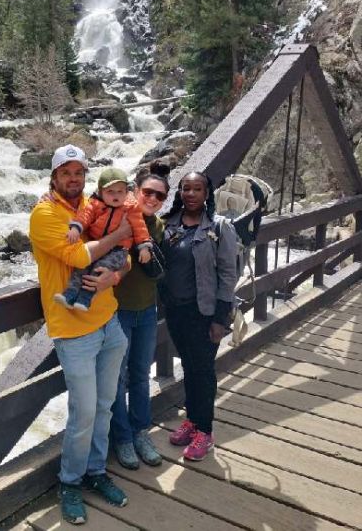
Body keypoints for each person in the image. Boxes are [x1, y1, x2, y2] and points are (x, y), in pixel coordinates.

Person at [29, 144, 132, 525]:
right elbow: (78, 257)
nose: (73, 179)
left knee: (104, 407)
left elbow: (131, 249)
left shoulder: (95, 205)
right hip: (73, 332)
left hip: (110, 322)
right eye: (66, 172)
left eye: (79, 172)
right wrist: (117, 233)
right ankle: (70, 482)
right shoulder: (44, 214)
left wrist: (116, 275)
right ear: (54, 177)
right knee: (84, 412)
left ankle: (95, 472)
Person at [159, 171, 237, 461]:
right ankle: (192, 421)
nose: (191, 194)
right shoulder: (169, 225)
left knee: (203, 370)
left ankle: (205, 431)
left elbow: (229, 274)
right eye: (186, 188)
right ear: (179, 193)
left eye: (197, 189)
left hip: (205, 313)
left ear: (207, 194)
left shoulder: (220, 227)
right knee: (190, 368)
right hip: (177, 312)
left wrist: (220, 318)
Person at [110, 160, 170, 470]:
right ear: (136, 191)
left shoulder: (159, 228)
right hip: (117, 312)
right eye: (147, 192)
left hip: (146, 312)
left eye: (159, 196)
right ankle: (122, 438)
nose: (152, 199)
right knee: (117, 379)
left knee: (141, 376)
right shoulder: (118, 219)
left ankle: (141, 433)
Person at [54, 166, 152, 311]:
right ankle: (70, 294)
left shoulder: (131, 208)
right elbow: (84, 216)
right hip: (97, 245)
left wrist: (144, 247)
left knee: (100, 269)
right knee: (81, 268)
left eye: (120, 191)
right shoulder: (95, 205)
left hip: (118, 250)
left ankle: (85, 299)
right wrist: (76, 227)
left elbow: (140, 227)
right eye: (110, 191)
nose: (115, 195)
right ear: (101, 192)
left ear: (126, 192)